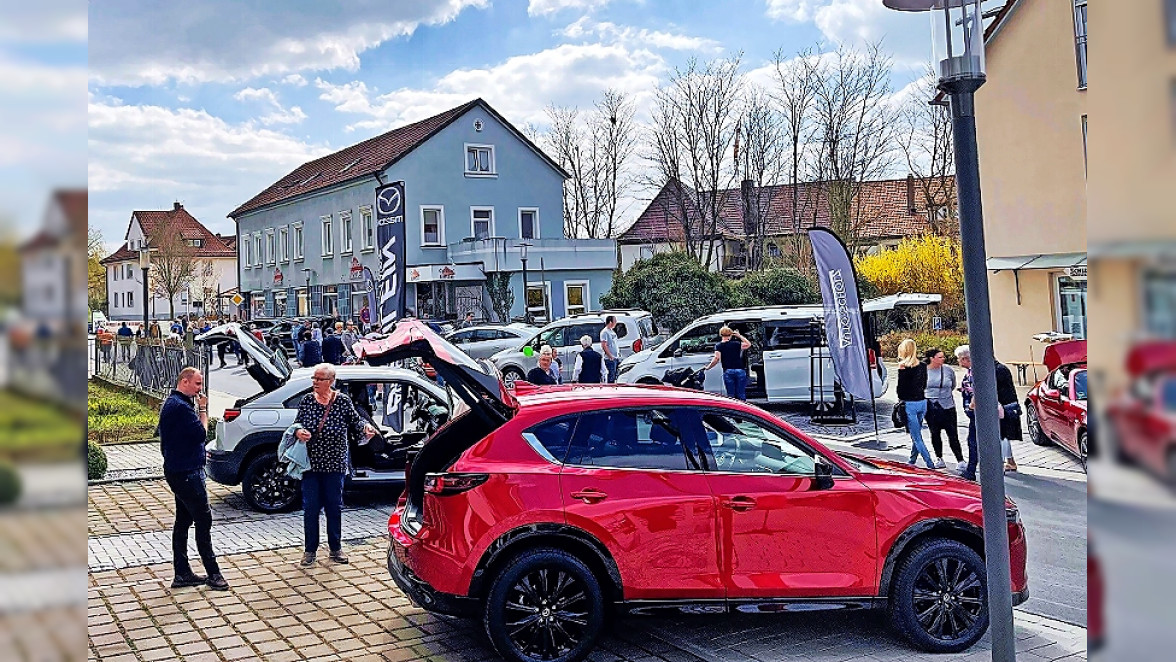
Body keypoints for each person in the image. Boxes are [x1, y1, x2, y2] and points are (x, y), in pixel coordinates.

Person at [292, 364, 376, 566]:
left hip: (335, 463)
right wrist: (298, 432)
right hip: (311, 464)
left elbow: (356, 422)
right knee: (311, 508)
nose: (314, 382)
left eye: (319, 379)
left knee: (334, 507)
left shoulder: (343, 402)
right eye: (314, 378)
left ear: (330, 381)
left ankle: (335, 549)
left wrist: (366, 428)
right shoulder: (307, 401)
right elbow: (296, 424)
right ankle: (310, 550)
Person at [159, 368, 228, 590]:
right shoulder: (179, 407)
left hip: (179, 470)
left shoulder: (174, 403)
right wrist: (204, 409)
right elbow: (201, 433)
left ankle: (182, 573)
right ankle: (213, 573)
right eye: (198, 384)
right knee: (203, 520)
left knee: (183, 521)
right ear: (185, 381)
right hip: (187, 473)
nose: (200, 389)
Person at [897, 339, 936, 468]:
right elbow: (924, 384)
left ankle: (930, 464)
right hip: (922, 402)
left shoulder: (903, 366)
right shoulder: (923, 365)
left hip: (909, 404)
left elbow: (900, 389)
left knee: (916, 437)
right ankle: (912, 460)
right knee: (916, 433)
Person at [924, 347, 963, 470]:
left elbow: (953, 385)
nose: (943, 359)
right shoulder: (923, 370)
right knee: (935, 433)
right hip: (931, 405)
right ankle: (939, 458)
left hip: (947, 405)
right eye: (940, 357)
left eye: (943, 357)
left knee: (953, 434)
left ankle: (960, 460)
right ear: (932, 359)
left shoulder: (948, 370)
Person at [702, 326, 752, 400]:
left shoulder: (719, 346)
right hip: (740, 370)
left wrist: (708, 367)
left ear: (721, 335)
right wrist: (739, 336)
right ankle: (742, 409)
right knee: (741, 393)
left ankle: (734, 410)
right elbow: (748, 344)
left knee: (731, 395)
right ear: (731, 335)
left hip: (728, 371)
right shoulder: (736, 344)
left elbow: (716, 358)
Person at [956, 345, 978, 480]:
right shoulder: (971, 371)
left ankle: (971, 471)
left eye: (959, 359)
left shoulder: (973, 372)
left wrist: (971, 406)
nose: (958, 362)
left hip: (975, 413)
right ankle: (971, 469)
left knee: (973, 442)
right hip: (974, 414)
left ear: (965, 359)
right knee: (973, 441)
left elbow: (977, 390)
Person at [599, 315, 621, 383]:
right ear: (610, 322)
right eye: (615, 321)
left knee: (615, 376)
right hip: (610, 358)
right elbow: (604, 345)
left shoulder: (611, 331)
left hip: (616, 356)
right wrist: (610, 356)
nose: (616, 323)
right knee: (611, 376)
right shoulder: (605, 332)